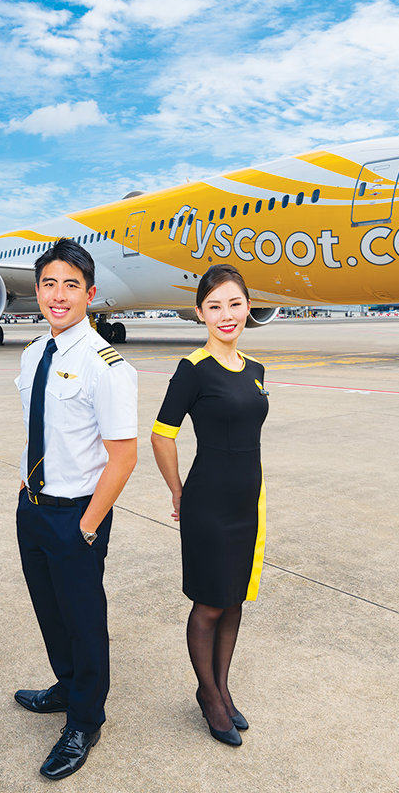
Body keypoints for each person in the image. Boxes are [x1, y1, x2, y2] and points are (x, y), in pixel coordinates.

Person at [13, 239, 138, 780]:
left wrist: (88, 526)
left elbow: (124, 456)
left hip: (76, 516)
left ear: (89, 294)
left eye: (70, 285)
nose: (57, 295)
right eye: (48, 284)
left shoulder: (105, 364)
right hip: (34, 507)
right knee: (50, 609)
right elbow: (39, 429)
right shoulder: (33, 353)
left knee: (84, 619)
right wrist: (25, 488)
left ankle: (86, 720)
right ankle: (66, 687)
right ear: (37, 291)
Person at [150, 264, 269, 747]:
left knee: (235, 599)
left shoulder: (257, 370)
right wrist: (178, 491)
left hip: (248, 501)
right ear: (199, 312)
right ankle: (208, 694)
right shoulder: (193, 369)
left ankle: (222, 687)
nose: (226, 315)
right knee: (209, 603)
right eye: (214, 306)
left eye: (234, 304)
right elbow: (162, 434)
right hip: (209, 502)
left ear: (247, 307)